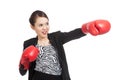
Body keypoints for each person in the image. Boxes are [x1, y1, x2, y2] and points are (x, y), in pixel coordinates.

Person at [19, 10, 111, 80]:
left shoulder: (56, 37)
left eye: (47, 23)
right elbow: (22, 72)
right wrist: (24, 62)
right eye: (40, 25)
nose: (45, 28)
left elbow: (72, 34)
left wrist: (87, 28)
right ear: (32, 26)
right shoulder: (28, 43)